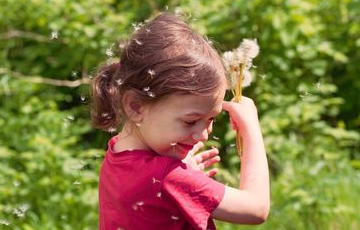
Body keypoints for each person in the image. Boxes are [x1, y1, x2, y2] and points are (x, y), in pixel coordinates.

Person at [91, 13, 270, 230]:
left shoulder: (116, 155)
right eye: (190, 121)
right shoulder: (166, 176)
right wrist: (250, 129)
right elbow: (256, 208)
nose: (203, 135)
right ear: (136, 107)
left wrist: (182, 172)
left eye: (211, 118)